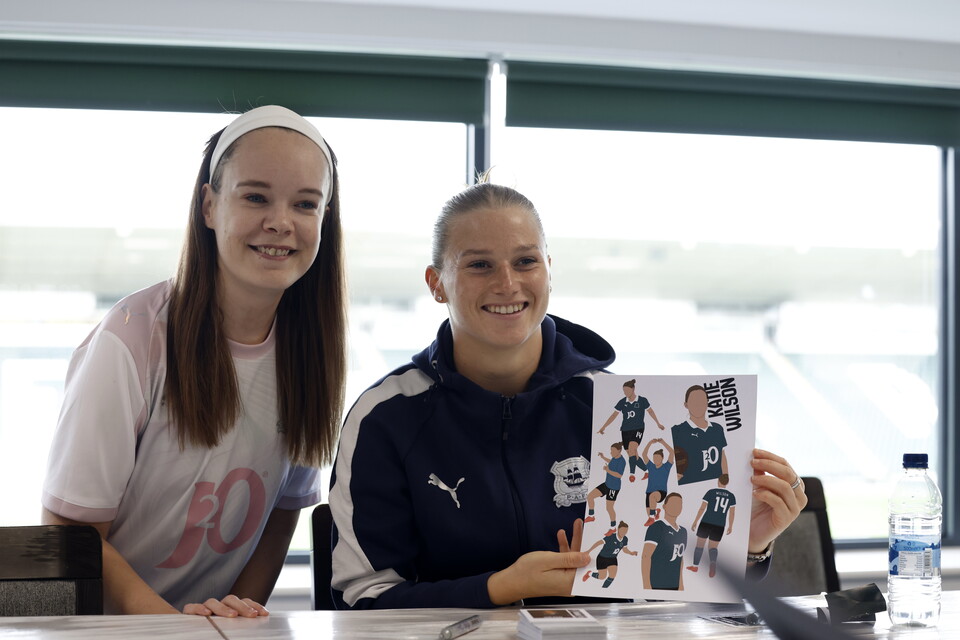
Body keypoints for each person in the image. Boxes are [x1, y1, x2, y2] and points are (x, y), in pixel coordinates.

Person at [329, 181, 808, 609]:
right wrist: (498, 588)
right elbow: (362, 598)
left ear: (549, 271)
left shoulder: (623, 409)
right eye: (479, 264)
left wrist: (747, 548)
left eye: (525, 261)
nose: (507, 284)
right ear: (437, 284)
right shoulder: (384, 419)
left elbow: (679, 586)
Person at [41, 106, 348, 616]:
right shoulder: (132, 340)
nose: (280, 222)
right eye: (255, 197)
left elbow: (284, 511)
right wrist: (170, 627)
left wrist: (238, 612)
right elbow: (67, 532)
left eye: (305, 204)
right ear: (209, 206)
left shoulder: (310, 350)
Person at [597, 379, 665, 482]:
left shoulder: (642, 400)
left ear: (633, 389)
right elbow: (614, 415)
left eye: (627, 390)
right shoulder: (622, 402)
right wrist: (603, 427)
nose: (625, 393)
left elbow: (650, 411)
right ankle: (647, 470)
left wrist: (658, 423)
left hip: (638, 428)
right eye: (624, 391)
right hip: (625, 430)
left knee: (633, 449)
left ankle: (631, 474)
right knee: (632, 455)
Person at [672, 385, 728, 485]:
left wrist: (725, 477)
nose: (698, 405)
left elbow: (722, 455)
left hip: (713, 485)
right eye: (694, 401)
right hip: (689, 486)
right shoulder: (676, 431)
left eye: (701, 400)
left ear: (707, 403)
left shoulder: (717, 429)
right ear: (686, 404)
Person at [688, 474, 737, 578]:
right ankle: (713, 563)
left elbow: (702, 508)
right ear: (727, 483)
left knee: (699, 545)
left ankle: (695, 566)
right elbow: (732, 513)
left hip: (706, 522)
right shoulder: (731, 496)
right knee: (713, 547)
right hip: (719, 525)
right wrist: (730, 526)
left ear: (718, 481)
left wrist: (695, 521)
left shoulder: (711, 492)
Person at [641, 493, 687, 591]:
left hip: (674, 584)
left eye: (679, 504)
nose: (676, 507)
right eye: (673, 503)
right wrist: (646, 586)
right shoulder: (657, 527)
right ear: (664, 506)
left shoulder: (683, 531)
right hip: (657, 584)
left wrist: (681, 584)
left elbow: (680, 559)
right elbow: (646, 556)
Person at [583, 443, 627, 535]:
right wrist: (603, 457)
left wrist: (608, 470)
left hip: (613, 488)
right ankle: (591, 516)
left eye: (613, 451)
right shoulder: (614, 458)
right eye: (611, 451)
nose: (611, 452)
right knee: (590, 496)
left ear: (619, 451)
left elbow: (619, 475)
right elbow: (611, 461)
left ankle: (613, 527)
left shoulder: (622, 461)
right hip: (607, 484)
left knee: (609, 508)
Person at [582, 522, 637, 589]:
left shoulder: (625, 539)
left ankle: (603, 589)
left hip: (612, 559)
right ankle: (589, 573)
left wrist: (631, 553)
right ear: (618, 529)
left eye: (626, 531)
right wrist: (588, 551)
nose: (624, 532)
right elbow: (599, 543)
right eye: (622, 530)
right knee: (602, 577)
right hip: (602, 558)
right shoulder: (611, 536)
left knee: (612, 576)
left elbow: (624, 549)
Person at [640, 437, 675, 527]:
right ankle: (656, 511)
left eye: (657, 458)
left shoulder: (666, 467)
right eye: (654, 458)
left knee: (653, 497)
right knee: (649, 514)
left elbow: (672, 452)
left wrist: (663, 442)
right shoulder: (651, 466)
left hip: (661, 492)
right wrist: (650, 443)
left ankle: (652, 515)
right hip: (649, 491)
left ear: (662, 458)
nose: (655, 460)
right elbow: (644, 454)